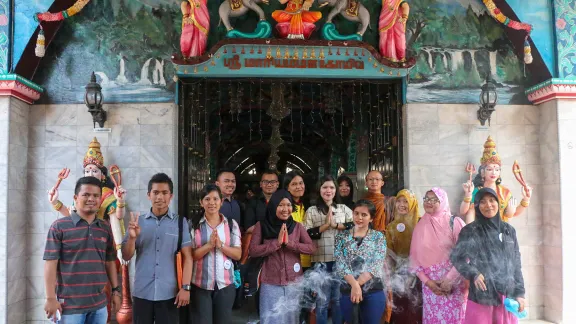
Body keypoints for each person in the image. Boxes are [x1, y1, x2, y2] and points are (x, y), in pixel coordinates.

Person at [48, 138, 128, 322]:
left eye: (94, 170)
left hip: (103, 248)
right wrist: (55, 203)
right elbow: (72, 215)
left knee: (104, 292)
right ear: (78, 196)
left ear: (102, 175)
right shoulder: (60, 226)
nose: (91, 172)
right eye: (87, 170)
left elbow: (117, 218)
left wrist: (118, 249)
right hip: (75, 274)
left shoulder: (108, 194)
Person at [43, 177, 121, 324]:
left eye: (96, 196)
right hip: (69, 308)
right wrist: (50, 298)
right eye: (86, 195)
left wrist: (116, 291)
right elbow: (50, 264)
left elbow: (110, 262)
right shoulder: (59, 227)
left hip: (99, 307)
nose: (91, 199)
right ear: (75, 198)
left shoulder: (104, 228)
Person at [121, 173, 192, 324]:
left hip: (170, 293)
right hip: (142, 292)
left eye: (164, 193)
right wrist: (132, 237)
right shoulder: (137, 222)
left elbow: (188, 257)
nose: (160, 197)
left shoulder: (180, 223)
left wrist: (186, 288)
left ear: (171, 196)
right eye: (156, 193)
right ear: (149, 195)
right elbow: (126, 256)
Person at [451, 188, 526, 324]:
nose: (488, 205)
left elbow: (516, 263)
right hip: (482, 295)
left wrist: (520, 294)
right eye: (483, 202)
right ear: (477, 206)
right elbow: (457, 257)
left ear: (498, 203)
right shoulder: (470, 231)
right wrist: (473, 273)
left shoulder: (508, 230)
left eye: (492, 200)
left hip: (506, 296)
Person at [249, 189, 316, 324]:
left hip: (294, 282)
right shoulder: (261, 226)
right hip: (270, 282)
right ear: (273, 206)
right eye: (281, 205)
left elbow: (311, 248)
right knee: (271, 319)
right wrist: (276, 243)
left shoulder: (297, 226)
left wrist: (290, 243)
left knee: (292, 319)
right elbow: (253, 250)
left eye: (288, 205)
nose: (285, 209)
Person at [409, 188, 468, 324]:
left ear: (442, 201)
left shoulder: (455, 222)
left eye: (434, 199)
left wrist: (449, 279)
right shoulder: (420, 224)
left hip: (454, 285)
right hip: (431, 288)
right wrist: (428, 283)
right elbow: (414, 259)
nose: (429, 202)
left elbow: (465, 254)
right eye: (426, 199)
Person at [189, 184, 242, 323]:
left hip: (225, 285)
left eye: (215, 199)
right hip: (200, 286)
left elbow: (238, 254)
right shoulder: (194, 225)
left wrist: (220, 245)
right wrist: (209, 245)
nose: (211, 203)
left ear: (221, 201)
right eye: (207, 199)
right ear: (201, 202)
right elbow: (190, 256)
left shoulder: (231, 224)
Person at [304, 175, 353, 324]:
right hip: (320, 262)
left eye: (332, 187)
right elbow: (306, 234)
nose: (328, 190)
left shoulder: (343, 209)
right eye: (325, 187)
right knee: (322, 302)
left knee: (338, 301)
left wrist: (337, 226)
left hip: (340, 261)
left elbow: (355, 225)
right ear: (319, 190)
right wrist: (324, 226)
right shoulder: (312, 211)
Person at [334, 200, 387, 324]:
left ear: (371, 218)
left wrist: (357, 285)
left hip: (373, 289)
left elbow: (376, 264)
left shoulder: (378, 237)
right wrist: (354, 285)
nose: (359, 218)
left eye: (364, 215)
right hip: (347, 289)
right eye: (356, 213)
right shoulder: (341, 237)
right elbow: (341, 264)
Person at [460, 136, 533, 224]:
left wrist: (526, 199)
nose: (494, 172)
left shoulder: (505, 192)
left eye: (497, 170)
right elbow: (464, 212)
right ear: (483, 172)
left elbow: (513, 213)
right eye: (490, 169)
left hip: (500, 231)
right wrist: (468, 195)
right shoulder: (477, 191)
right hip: (481, 231)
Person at [386, 189, 422, 324]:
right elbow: (389, 253)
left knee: (415, 308)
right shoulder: (391, 227)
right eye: (398, 201)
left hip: (419, 274)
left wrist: (413, 272)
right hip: (399, 276)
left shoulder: (421, 223)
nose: (401, 204)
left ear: (412, 203)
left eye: (405, 201)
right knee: (399, 309)